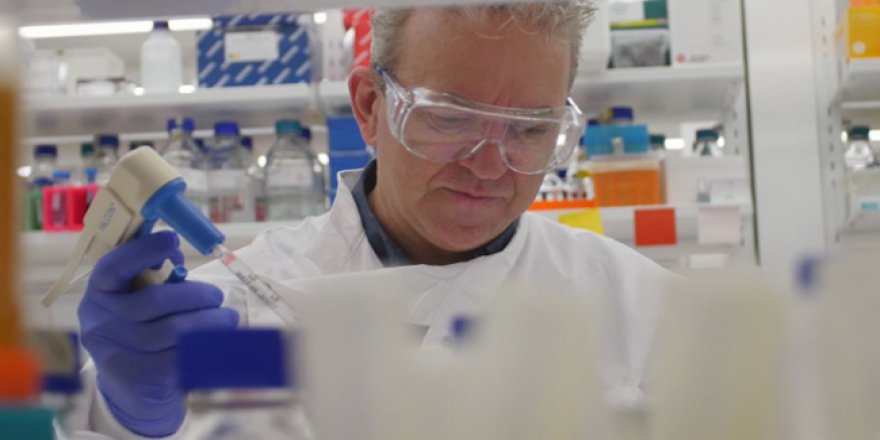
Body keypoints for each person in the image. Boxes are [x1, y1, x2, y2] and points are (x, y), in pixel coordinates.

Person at [69, 2, 673, 438]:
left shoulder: (643, 304)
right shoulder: (232, 304)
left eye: (531, 130)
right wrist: (128, 414)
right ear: (369, 108)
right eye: (450, 118)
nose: (491, 166)